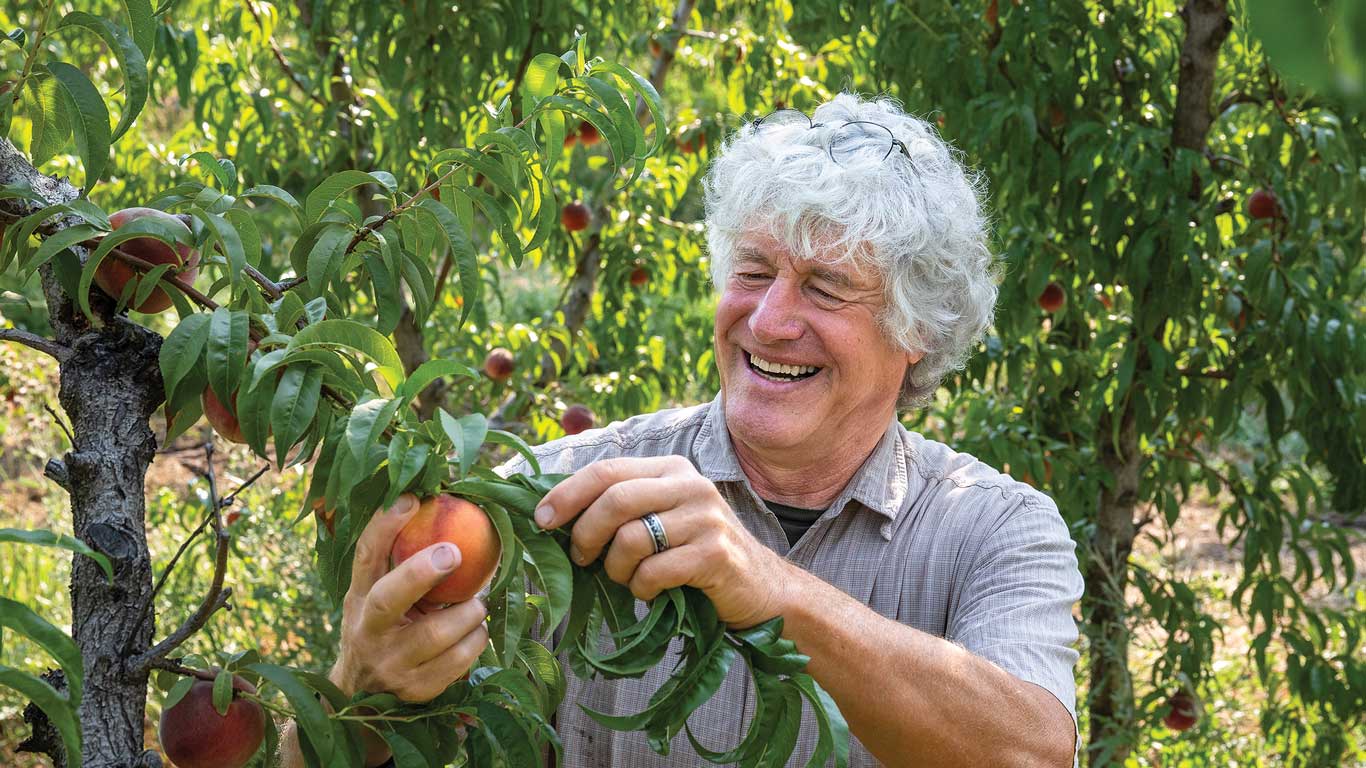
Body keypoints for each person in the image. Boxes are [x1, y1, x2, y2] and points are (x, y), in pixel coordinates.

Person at [283, 92, 1084, 767]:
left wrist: (770, 591)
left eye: (827, 288)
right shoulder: (561, 497)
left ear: (916, 335)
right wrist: (359, 695)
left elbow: (1034, 751)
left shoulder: (994, 527)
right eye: (753, 272)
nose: (769, 321)